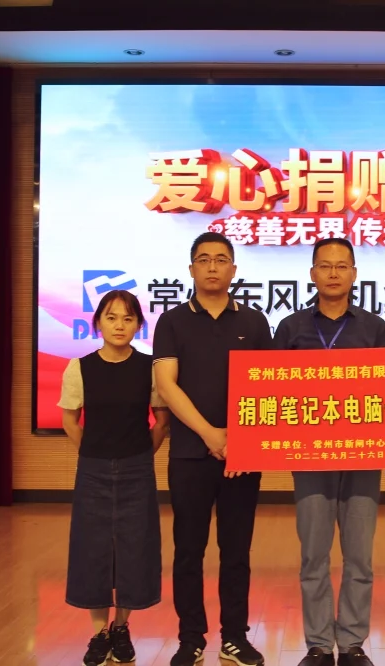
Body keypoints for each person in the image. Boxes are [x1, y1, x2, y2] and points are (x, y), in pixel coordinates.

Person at [153, 232, 273, 666]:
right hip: (189, 453)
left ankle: (235, 637)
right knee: (188, 551)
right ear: (191, 269)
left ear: (233, 270)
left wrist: (240, 439)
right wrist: (210, 434)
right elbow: (167, 384)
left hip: (244, 455)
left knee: (236, 552)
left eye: (221, 259)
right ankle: (190, 638)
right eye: (203, 259)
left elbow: (267, 385)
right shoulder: (172, 321)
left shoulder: (254, 323)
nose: (212, 267)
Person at [273, 237, 385, 666]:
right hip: (309, 458)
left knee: (359, 556)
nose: (334, 273)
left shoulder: (375, 328)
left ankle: (353, 643)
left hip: (362, 457)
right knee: (313, 555)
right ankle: (320, 644)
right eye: (325, 265)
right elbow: (272, 389)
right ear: (312, 273)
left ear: (355, 274)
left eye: (342, 266)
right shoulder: (290, 328)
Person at [58, 289, 170, 666]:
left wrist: (139, 455)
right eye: (111, 317)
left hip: (137, 468)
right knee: (93, 549)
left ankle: (121, 627)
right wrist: (94, 450)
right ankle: (99, 633)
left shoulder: (150, 368)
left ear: (138, 325)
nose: (119, 325)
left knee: (134, 547)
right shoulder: (80, 367)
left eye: (127, 318)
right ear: (97, 324)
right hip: (93, 470)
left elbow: (161, 421)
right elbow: (70, 420)